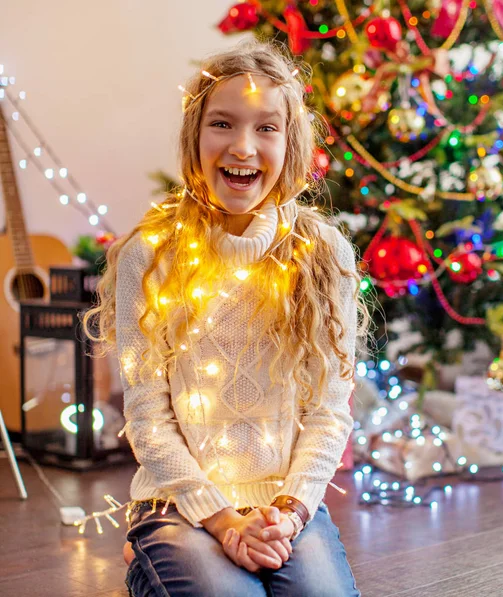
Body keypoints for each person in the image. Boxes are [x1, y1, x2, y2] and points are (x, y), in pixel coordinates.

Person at [84, 39, 368, 597]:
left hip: (285, 505)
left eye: (267, 128)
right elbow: (147, 418)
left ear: (292, 144)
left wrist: (288, 511)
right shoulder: (153, 254)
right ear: (195, 138)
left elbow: (329, 413)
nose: (243, 147)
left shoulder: (324, 254)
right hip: (177, 498)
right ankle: (149, 556)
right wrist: (220, 520)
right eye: (223, 123)